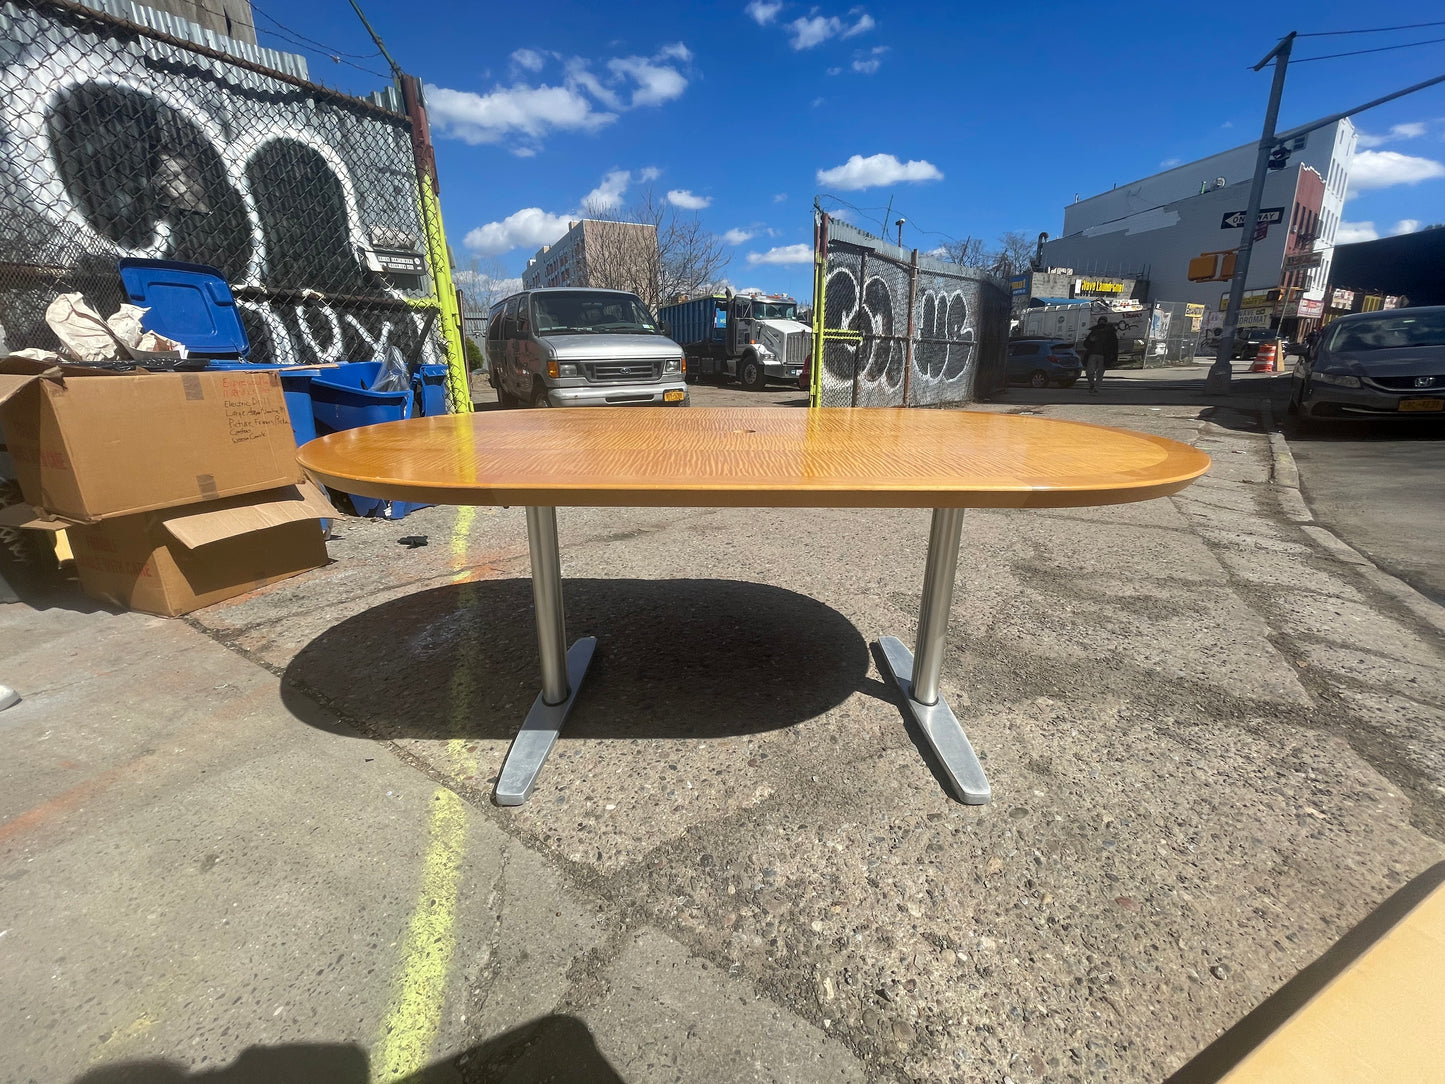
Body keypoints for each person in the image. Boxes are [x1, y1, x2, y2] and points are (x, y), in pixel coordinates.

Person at [1080, 317, 1118, 394]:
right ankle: (1092, 384)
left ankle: (1096, 388)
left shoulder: (1110, 333)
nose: (1102, 323)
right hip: (1092, 354)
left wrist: (1114, 357)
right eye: (1100, 321)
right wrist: (1091, 341)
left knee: (1100, 373)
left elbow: (1115, 346)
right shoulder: (1094, 331)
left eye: (1104, 321)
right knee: (1089, 372)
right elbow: (1086, 344)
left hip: (1104, 356)